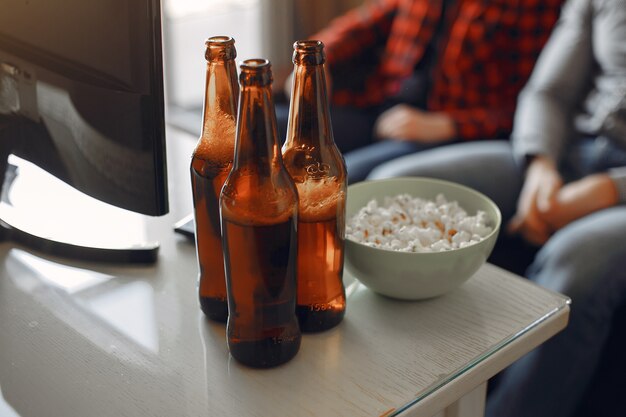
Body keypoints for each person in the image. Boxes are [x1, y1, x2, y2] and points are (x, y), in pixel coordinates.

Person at [368, 0, 626, 416]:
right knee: (390, 186)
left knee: (576, 261)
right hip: (567, 149)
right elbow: (548, 91)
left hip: (618, 188)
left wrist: (607, 191)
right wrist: (540, 166)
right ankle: (391, 391)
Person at [276, 0, 564, 183]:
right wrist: (316, 59)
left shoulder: (535, 6)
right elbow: (366, 22)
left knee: (343, 177)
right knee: (271, 128)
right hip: (377, 104)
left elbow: (533, 104)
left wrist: (447, 125)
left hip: (444, 130)